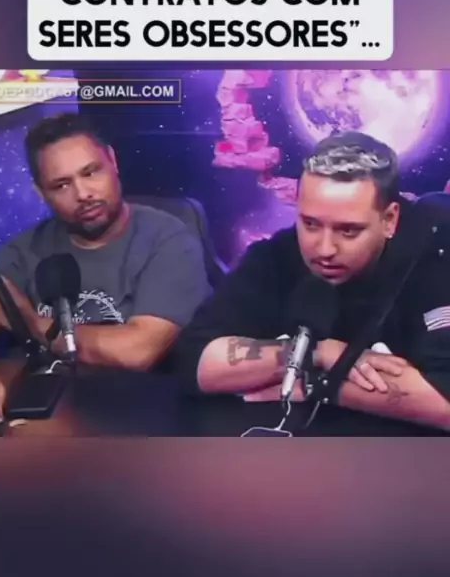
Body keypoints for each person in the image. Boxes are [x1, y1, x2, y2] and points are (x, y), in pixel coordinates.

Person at [174, 131, 450, 433]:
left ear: (389, 220)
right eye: (310, 224)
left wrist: (313, 384)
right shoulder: (277, 255)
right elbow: (194, 361)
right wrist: (318, 353)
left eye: (348, 231)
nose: (324, 249)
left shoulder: (435, 257)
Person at [0, 112, 210, 435]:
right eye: (61, 185)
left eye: (90, 172)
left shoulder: (169, 240)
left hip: (136, 417)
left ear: (112, 161)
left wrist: (29, 321)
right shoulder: (23, 250)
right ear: (41, 192)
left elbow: (138, 351)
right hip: (41, 415)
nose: (83, 194)